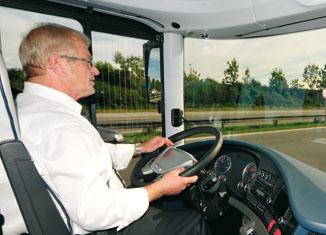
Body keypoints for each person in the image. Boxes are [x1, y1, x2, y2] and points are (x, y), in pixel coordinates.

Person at [16, 23, 210, 234]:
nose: (96, 70)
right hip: (97, 227)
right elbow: (95, 213)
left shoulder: (30, 109)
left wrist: (138, 149)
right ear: (58, 64)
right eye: (88, 62)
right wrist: (159, 188)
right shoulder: (64, 127)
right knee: (193, 220)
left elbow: (84, 155)